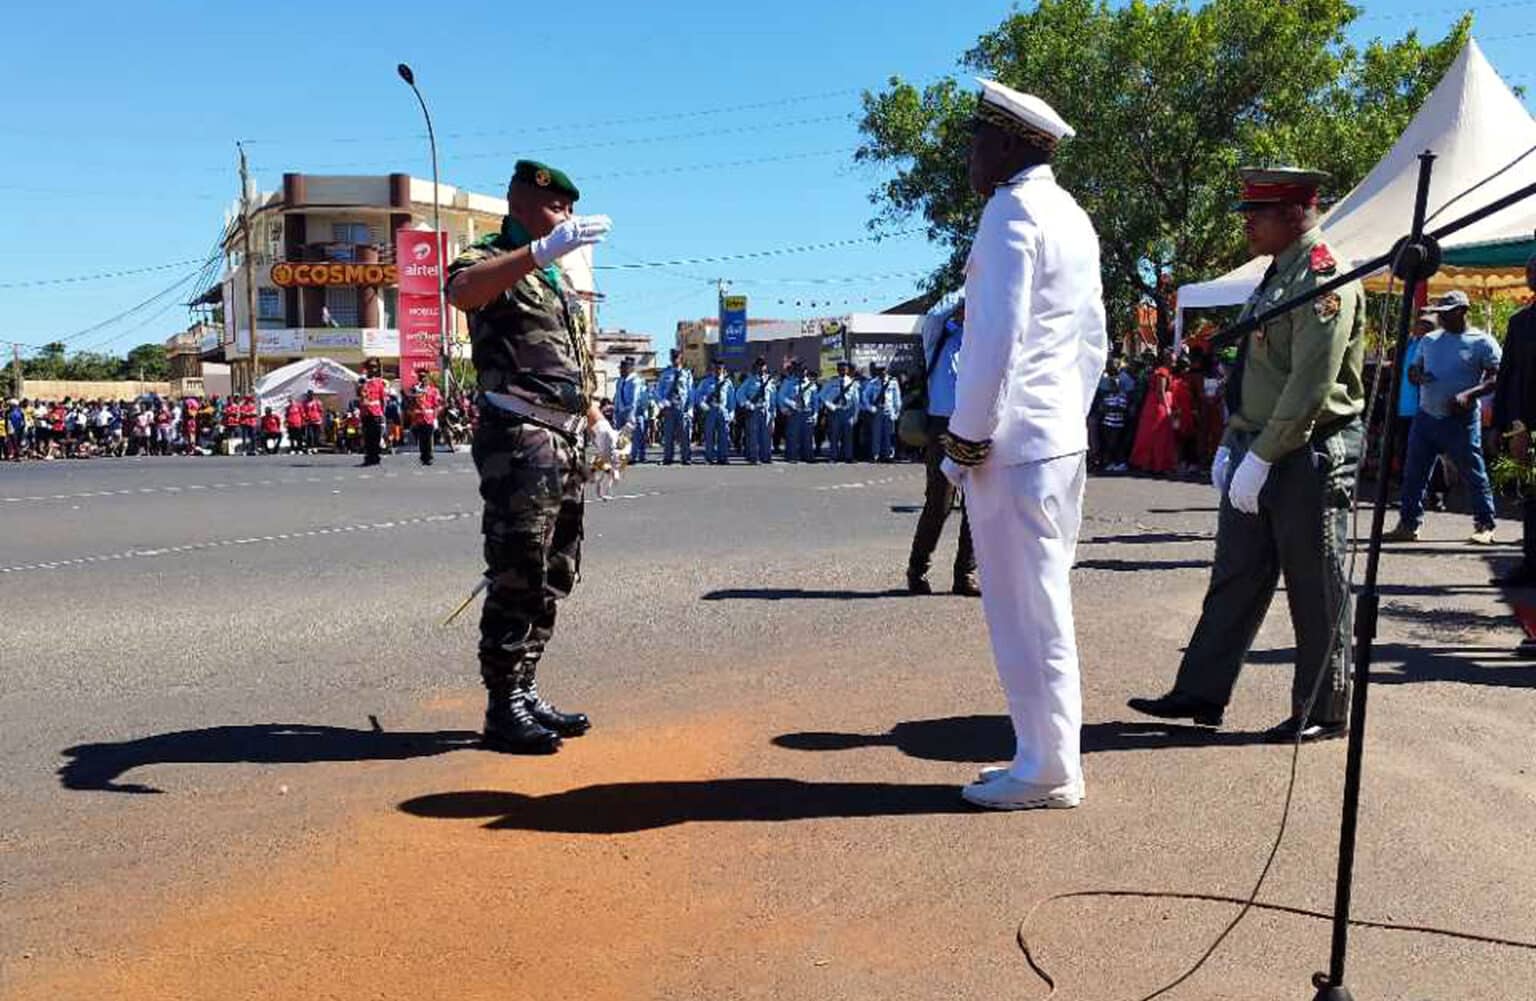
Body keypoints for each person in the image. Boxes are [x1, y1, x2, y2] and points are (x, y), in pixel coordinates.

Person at [1129, 166, 1366, 743]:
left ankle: (1324, 709)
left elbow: (1310, 386)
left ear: (1294, 214)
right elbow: (1255, 370)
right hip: (1258, 444)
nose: (1247, 226)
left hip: (1308, 449)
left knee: (1316, 585)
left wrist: (1260, 455)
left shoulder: (1323, 279)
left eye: (1256, 214)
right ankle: (1201, 692)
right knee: (1235, 575)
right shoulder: (1275, 276)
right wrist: (1236, 442)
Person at [938, 79, 1105, 810]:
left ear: (1008, 144)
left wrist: (965, 441)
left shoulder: (1011, 213)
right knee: (1042, 603)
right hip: (1056, 438)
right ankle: (1043, 752)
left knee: (1025, 612)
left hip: (1012, 445)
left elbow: (992, 345)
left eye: (978, 142)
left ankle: (1046, 768)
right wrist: (1064, 418)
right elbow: (1092, 343)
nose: (971, 157)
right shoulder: (1070, 213)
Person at [446, 158, 615, 754]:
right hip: (519, 437)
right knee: (517, 566)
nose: (566, 216)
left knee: (555, 570)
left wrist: (596, 421)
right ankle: (503, 704)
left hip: (563, 438)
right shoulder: (492, 260)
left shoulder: (557, 280)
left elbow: (568, 361)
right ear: (521, 202)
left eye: (568, 208)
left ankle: (525, 686)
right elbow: (462, 293)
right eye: (556, 206)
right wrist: (537, 254)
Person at [1385, 289, 1501, 545]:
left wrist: (1469, 395)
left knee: (1473, 473)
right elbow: (1415, 368)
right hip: (1426, 416)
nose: (1442, 319)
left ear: (1462, 312)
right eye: (1441, 314)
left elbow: (1496, 377)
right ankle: (1408, 524)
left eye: (1447, 314)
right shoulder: (1429, 340)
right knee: (1414, 473)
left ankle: (1485, 525)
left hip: (1460, 421)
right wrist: (1416, 376)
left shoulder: (1482, 342)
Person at [907, 299, 979, 595]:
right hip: (942, 425)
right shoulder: (939, 336)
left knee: (976, 504)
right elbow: (936, 312)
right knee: (940, 503)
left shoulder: (983, 340)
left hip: (974, 425)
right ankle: (918, 569)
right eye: (964, 307)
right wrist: (972, 282)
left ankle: (966, 574)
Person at [1491, 255, 1536, 585]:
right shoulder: (1520, 322)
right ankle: (1531, 563)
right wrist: (1503, 425)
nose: (1530, 275)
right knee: (1531, 496)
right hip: (1524, 425)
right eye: (1529, 271)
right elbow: (1507, 375)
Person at [1130, 348, 1178, 474]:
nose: (1175, 363)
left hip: (1156, 405)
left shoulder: (1165, 371)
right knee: (1158, 436)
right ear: (1166, 360)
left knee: (1155, 435)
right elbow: (1160, 392)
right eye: (1172, 361)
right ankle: (1156, 464)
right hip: (1158, 407)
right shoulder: (1162, 372)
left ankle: (1154, 463)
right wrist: (1167, 408)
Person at [656, 348, 694, 465]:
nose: (675, 359)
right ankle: (668, 458)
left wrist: (690, 408)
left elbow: (690, 392)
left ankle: (686, 458)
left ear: (681, 358)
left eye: (677, 357)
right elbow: (658, 390)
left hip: (682, 407)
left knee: (684, 434)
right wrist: (662, 401)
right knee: (668, 434)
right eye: (673, 357)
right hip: (669, 406)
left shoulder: (686, 374)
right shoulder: (665, 374)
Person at [737, 357, 776, 465]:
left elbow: (772, 397)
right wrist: (747, 404)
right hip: (754, 410)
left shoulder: (769, 381)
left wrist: (773, 413)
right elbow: (739, 394)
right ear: (756, 367)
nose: (761, 368)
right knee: (753, 435)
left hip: (766, 410)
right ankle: (753, 457)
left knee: (766, 435)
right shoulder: (750, 380)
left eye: (763, 365)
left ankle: (766, 456)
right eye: (759, 365)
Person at [696, 359, 735, 465]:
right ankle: (709, 457)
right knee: (709, 435)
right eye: (716, 368)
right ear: (713, 369)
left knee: (724, 435)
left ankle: (723, 457)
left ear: (723, 370)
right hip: (710, 410)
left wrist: (731, 412)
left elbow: (731, 398)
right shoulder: (706, 382)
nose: (718, 370)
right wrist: (703, 405)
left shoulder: (727, 383)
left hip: (723, 410)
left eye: (720, 368)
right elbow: (698, 395)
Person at [820, 359, 859, 463]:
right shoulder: (831, 382)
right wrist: (830, 405)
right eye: (840, 368)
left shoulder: (852, 383)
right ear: (837, 370)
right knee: (834, 435)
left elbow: (856, 400)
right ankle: (833, 456)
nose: (842, 370)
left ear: (847, 370)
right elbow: (822, 396)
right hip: (835, 412)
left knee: (848, 435)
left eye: (844, 368)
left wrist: (855, 415)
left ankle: (848, 456)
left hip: (848, 412)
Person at [612, 357, 649, 463]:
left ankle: (637, 456)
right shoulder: (620, 381)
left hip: (633, 412)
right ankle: (623, 455)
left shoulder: (636, 381)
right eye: (620, 369)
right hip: (620, 412)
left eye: (623, 369)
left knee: (636, 435)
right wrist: (616, 411)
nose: (620, 371)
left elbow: (635, 400)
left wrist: (630, 414)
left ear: (629, 369)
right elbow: (617, 396)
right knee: (622, 435)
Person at [863, 362, 901, 463]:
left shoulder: (893, 382)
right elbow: (865, 396)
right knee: (876, 434)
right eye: (879, 370)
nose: (882, 372)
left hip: (889, 410)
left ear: (886, 370)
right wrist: (870, 408)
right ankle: (876, 455)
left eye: (883, 370)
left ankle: (888, 455)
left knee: (889, 434)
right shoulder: (873, 383)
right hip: (878, 410)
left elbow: (897, 398)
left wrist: (896, 412)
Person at [357, 359, 388, 466]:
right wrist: (361, 384)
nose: (373, 369)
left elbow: (383, 398)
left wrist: (383, 413)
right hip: (365, 412)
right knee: (367, 436)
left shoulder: (379, 382)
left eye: (374, 367)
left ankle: (376, 457)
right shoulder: (362, 381)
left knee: (376, 436)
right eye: (370, 366)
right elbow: (358, 394)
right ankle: (368, 457)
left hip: (376, 412)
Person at [409, 370, 444, 466]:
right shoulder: (415, 389)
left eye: (424, 377)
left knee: (428, 438)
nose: (422, 378)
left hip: (429, 417)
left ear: (427, 378)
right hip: (419, 418)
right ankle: (423, 456)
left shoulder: (433, 390)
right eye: (420, 377)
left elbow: (437, 404)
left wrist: (436, 417)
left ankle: (429, 457)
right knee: (421, 439)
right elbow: (411, 402)